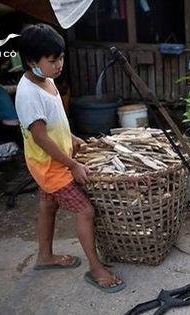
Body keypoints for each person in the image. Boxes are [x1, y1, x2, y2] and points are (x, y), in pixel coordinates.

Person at [14, 24, 125, 293]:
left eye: (61, 58)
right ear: (31, 62)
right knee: (85, 211)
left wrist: (72, 137)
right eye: (52, 61)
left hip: (51, 162)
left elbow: (55, 123)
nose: (59, 64)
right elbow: (40, 137)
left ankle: (44, 256)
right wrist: (73, 164)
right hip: (52, 167)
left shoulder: (46, 80)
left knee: (48, 206)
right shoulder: (28, 94)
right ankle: (96, 268)